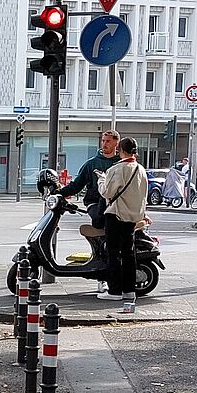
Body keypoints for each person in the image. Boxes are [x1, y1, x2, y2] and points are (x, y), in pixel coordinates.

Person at [55, 130, 121, 294]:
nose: (104, 144)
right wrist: (59, 192)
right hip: (94, 203)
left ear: (116, 144)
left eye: (108, 141)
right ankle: (102, 274)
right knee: (99, 220)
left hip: (115, 204)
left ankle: (107, 272)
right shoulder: (92, 163)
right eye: (103, 141)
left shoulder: (121, 163)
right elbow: (77, 185)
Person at [99, 137, 148, 314]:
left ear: (120, 150)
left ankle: (114, 290)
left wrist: (101, 180)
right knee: (128, 254)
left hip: (116, 214)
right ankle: (129, 290)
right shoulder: (141, 170)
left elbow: (107, 192)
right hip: (132, 217)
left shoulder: (116, 169)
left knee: (112, 252)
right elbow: (143, 196)